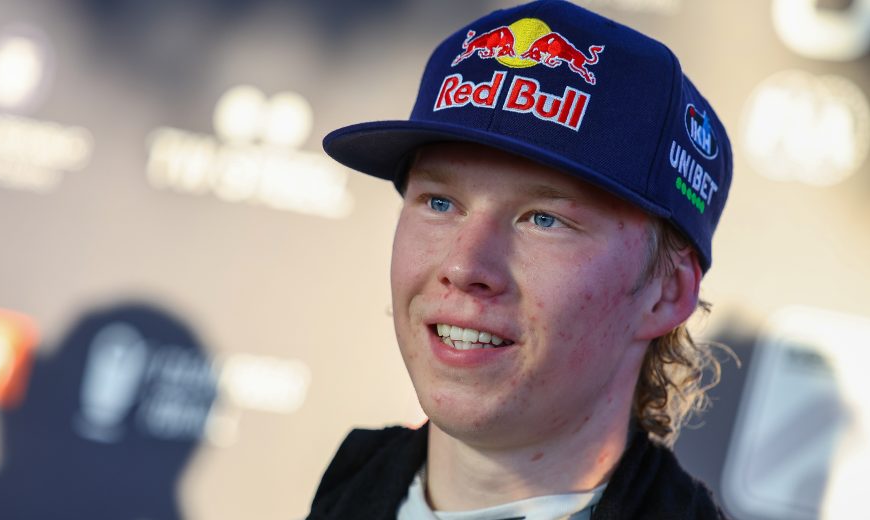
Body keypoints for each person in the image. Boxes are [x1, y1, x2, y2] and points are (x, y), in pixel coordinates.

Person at [308, 1, 732, 518]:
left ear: (667, 292)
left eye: (543, 219)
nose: (464, 267)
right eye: (439, 203)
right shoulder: (354, 479)